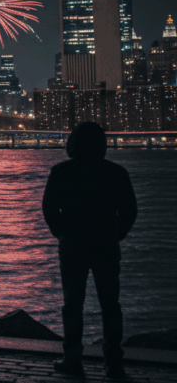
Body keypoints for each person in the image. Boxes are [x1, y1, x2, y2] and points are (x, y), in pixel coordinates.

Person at [43, 122, 137, 380]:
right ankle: (114, 363)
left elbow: (49, 208)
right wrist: (116, 234)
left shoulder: (61, 171)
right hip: (106, 243)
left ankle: (72, 358)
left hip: (73, 243)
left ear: (72, 143)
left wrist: (61, 232)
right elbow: (130, 211)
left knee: (72, 304)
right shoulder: (116, 172)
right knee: (111, 305)